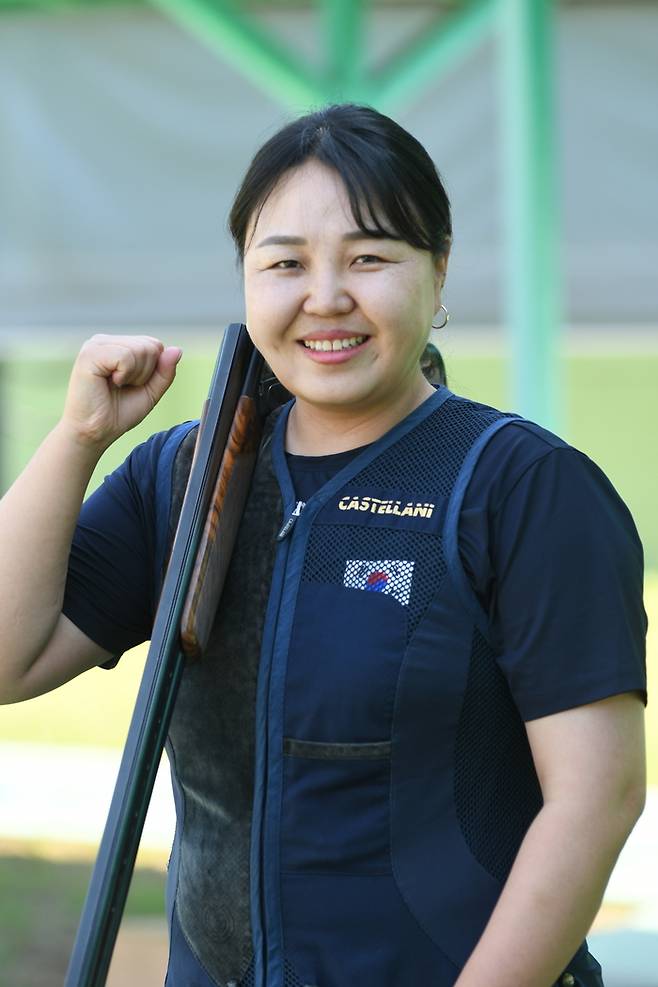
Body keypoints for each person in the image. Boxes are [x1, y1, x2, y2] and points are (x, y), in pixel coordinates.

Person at [0, 104, 647, 987]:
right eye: (285, 264)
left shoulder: (523, 485)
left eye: (370, 257)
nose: (326, 296)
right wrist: (77, 436)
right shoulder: (187, 475)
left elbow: (597, 797)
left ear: (439, 270)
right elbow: (10, 658)